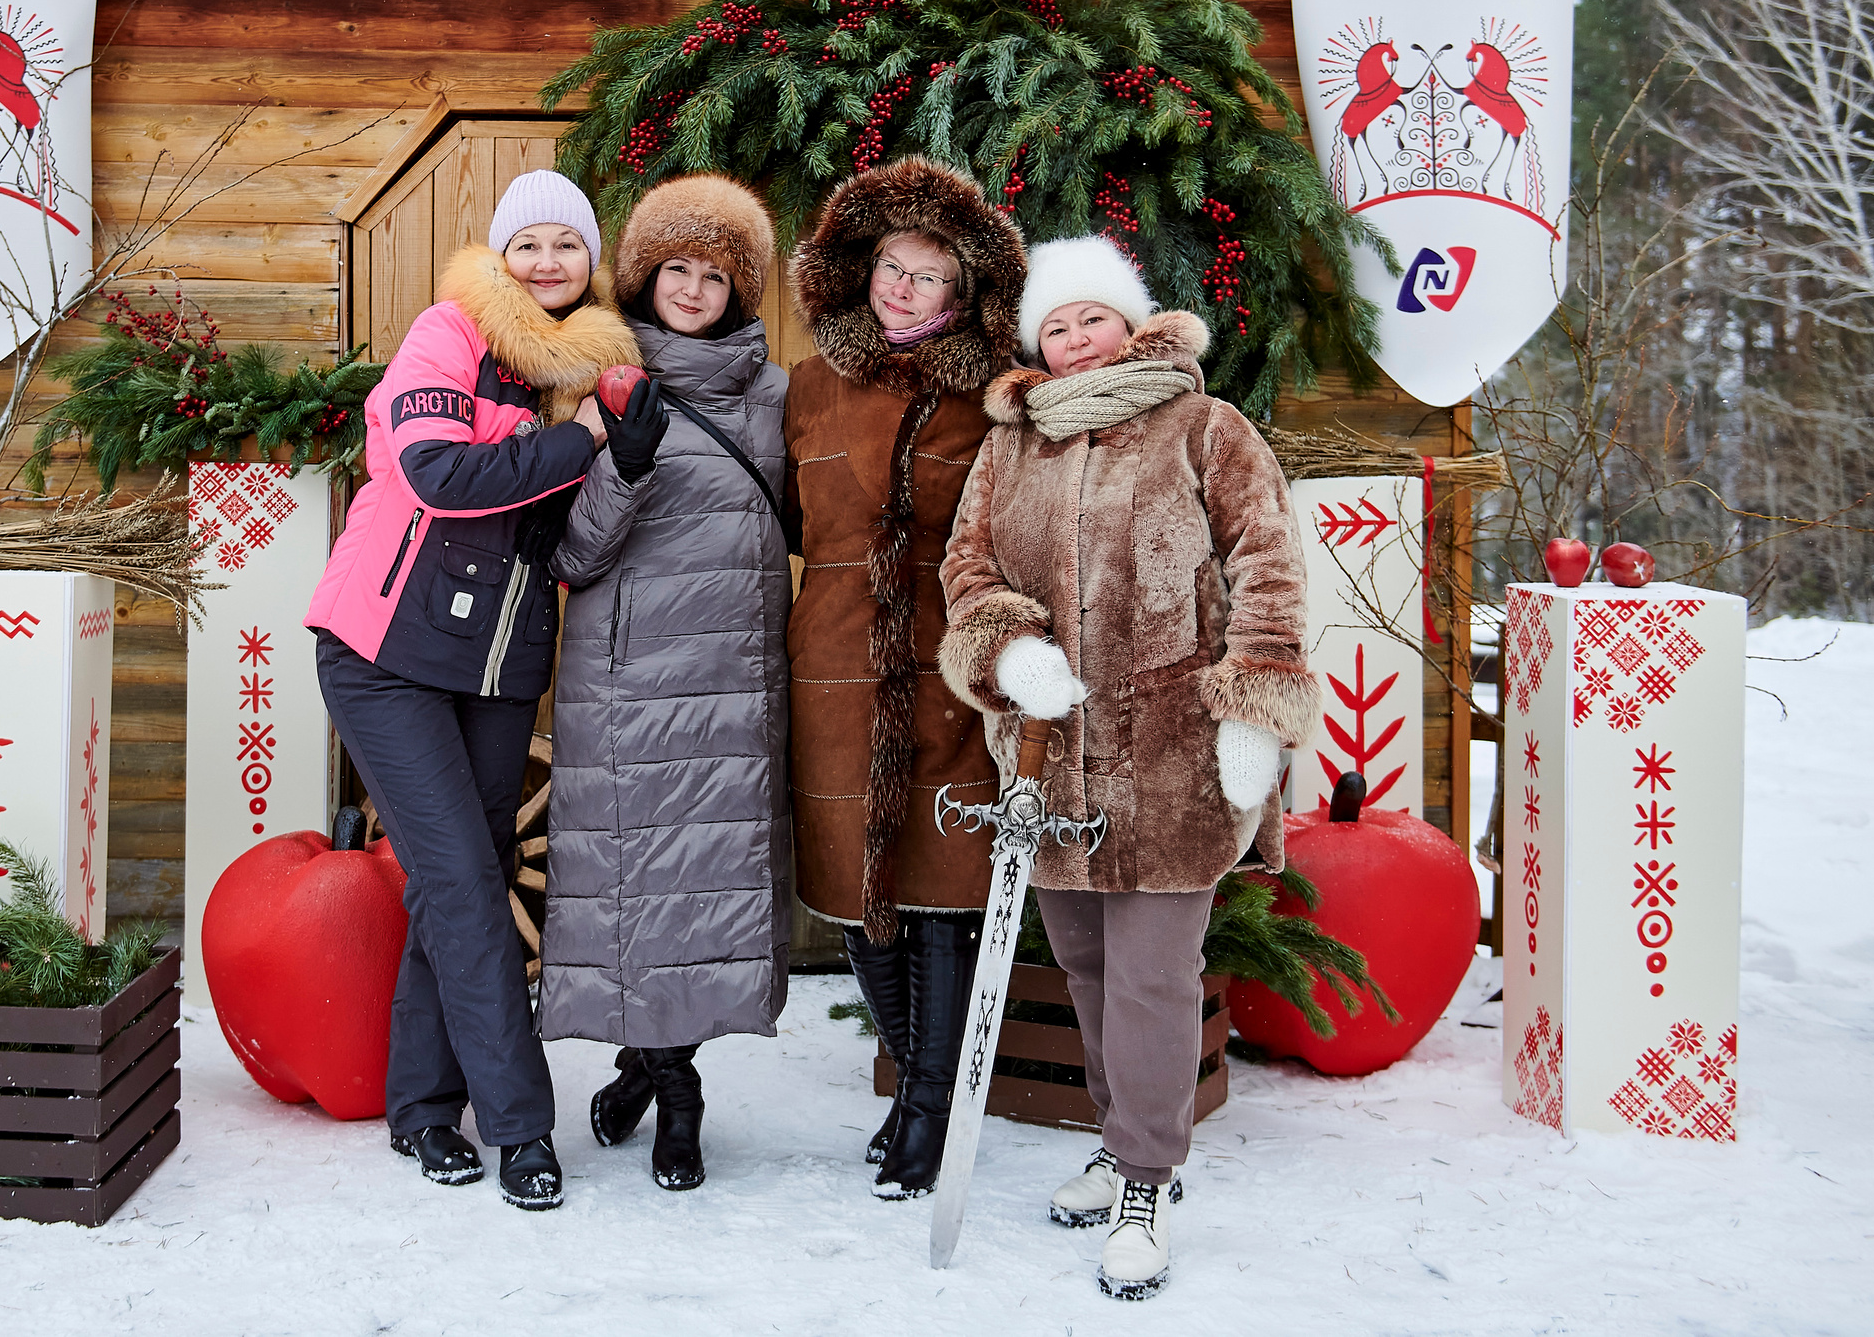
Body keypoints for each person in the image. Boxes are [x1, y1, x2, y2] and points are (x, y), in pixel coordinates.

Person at [935, 235, 1317, 1299]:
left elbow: (1267, 561)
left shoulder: (1204, 427)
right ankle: (1120, 1139)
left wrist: (1253, 704)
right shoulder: (1010, 448)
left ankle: (1147, 1176)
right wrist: (1007, 647)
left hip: (1174, 760)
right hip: (1050, 768)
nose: (1069, 342)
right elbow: (966, 567)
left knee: (1154, 974)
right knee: (1093, 969)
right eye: (1051, 328)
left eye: (1086, 318)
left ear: (1132, 321)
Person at [303, 168, 648, 1212]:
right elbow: (440, 476)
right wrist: (585, 438)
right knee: (460, 883)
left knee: (466, 880)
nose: (548, 263)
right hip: (383, 652)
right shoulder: (448, 336)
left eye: (568, 246)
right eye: (529, 243)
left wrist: (618, 451)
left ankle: (420, 1107)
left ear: (591, 264)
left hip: (499, 667)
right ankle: (519, 1129)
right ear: (501, 257)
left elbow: (579, 538)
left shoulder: (597, 367)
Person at [537, 173, 793, 1195]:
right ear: (644, 276)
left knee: (703, 891)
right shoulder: (602, 375)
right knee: (638, 890)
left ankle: (654, 1071)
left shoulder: (774, 395)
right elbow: (573, 555)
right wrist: (624, 465)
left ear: (742, 289)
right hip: (628, 672)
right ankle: (674, 1089)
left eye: (716, 274)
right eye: (676, 269)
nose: (693, 289)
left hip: (734, 670)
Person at [783, 155, 1028, 1199]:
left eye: (929, 275)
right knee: (854, 895)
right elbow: (777, 522)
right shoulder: (804, 387)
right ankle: (911, 1089)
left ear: (964, 290)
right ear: (861, 264)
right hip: (833, 658)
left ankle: (926, 1106)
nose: (903, 289)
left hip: (949, 664)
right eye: (892, 265)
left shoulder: (999, 394)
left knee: (939, 894)